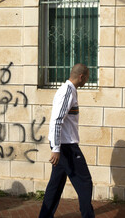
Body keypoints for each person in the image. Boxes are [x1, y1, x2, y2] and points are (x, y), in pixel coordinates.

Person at [39, 63, 95, 218]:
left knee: (55, 185)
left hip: (64, 145)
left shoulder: (70, 91)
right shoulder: (67, 92)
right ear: (81, 76)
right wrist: (56, 149)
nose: (86, 81)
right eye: (87, 78)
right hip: (66, 146)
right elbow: (57, 120)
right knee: (85, 182)